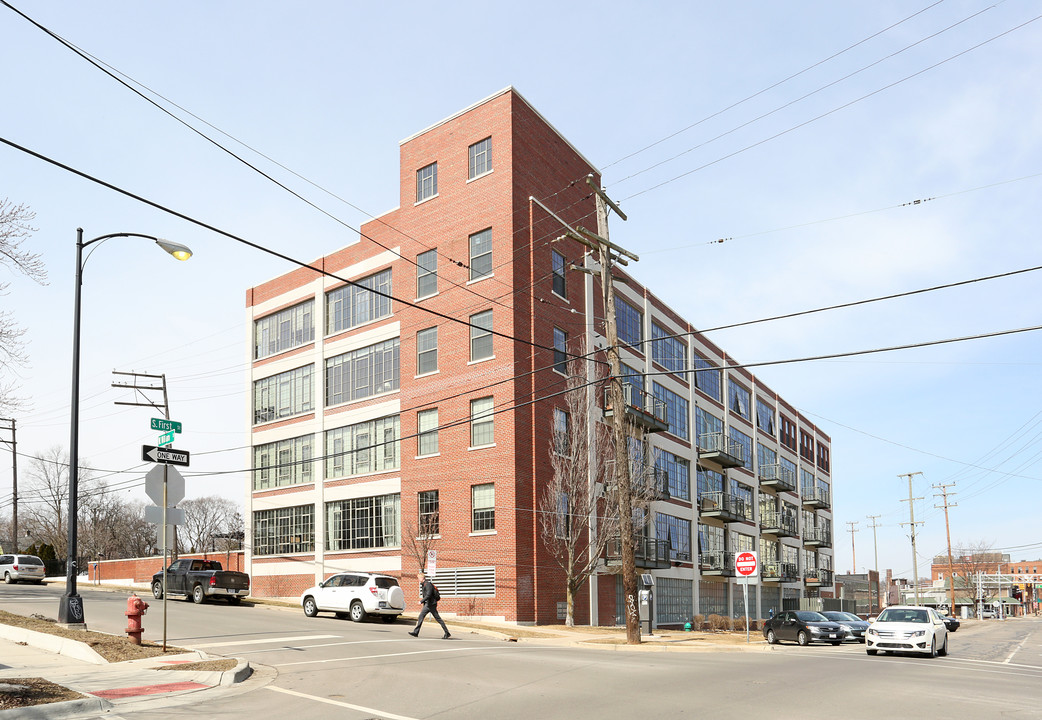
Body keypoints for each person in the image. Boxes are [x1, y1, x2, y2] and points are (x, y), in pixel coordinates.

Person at [409, 571, 450, 639]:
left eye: (419, 578)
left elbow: (428, 595)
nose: (418, 580)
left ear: (422, 578)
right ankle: (416, 632)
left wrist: (421, 601)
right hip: (428, 604)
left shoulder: (427, 584)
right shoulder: (424, 584)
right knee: (421, 616)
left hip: (431, 604)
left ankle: (447, 633)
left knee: (438, 619)